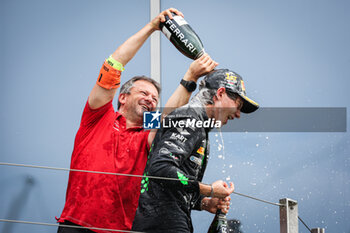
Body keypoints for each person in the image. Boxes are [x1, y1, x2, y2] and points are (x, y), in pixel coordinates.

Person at [56, 8, 218, 233]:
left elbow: (169, 118)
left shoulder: (148, 132)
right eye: (144, 93)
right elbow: (114, 63)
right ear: (122, 97)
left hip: (122, 231)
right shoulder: (98, 117)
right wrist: (152, 27)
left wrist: (189, 79)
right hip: (75, 226)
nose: (150, 99)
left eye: (154, 98)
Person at [132, 69, 259, 233]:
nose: (238, 114)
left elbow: (174, 186)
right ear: (220, 93)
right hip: (161, 224)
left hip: (166, 220)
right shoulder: (190, 118)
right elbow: (161, 169)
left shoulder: (199, 123)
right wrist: (210, 190)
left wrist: (205, 202)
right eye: (238, 105)